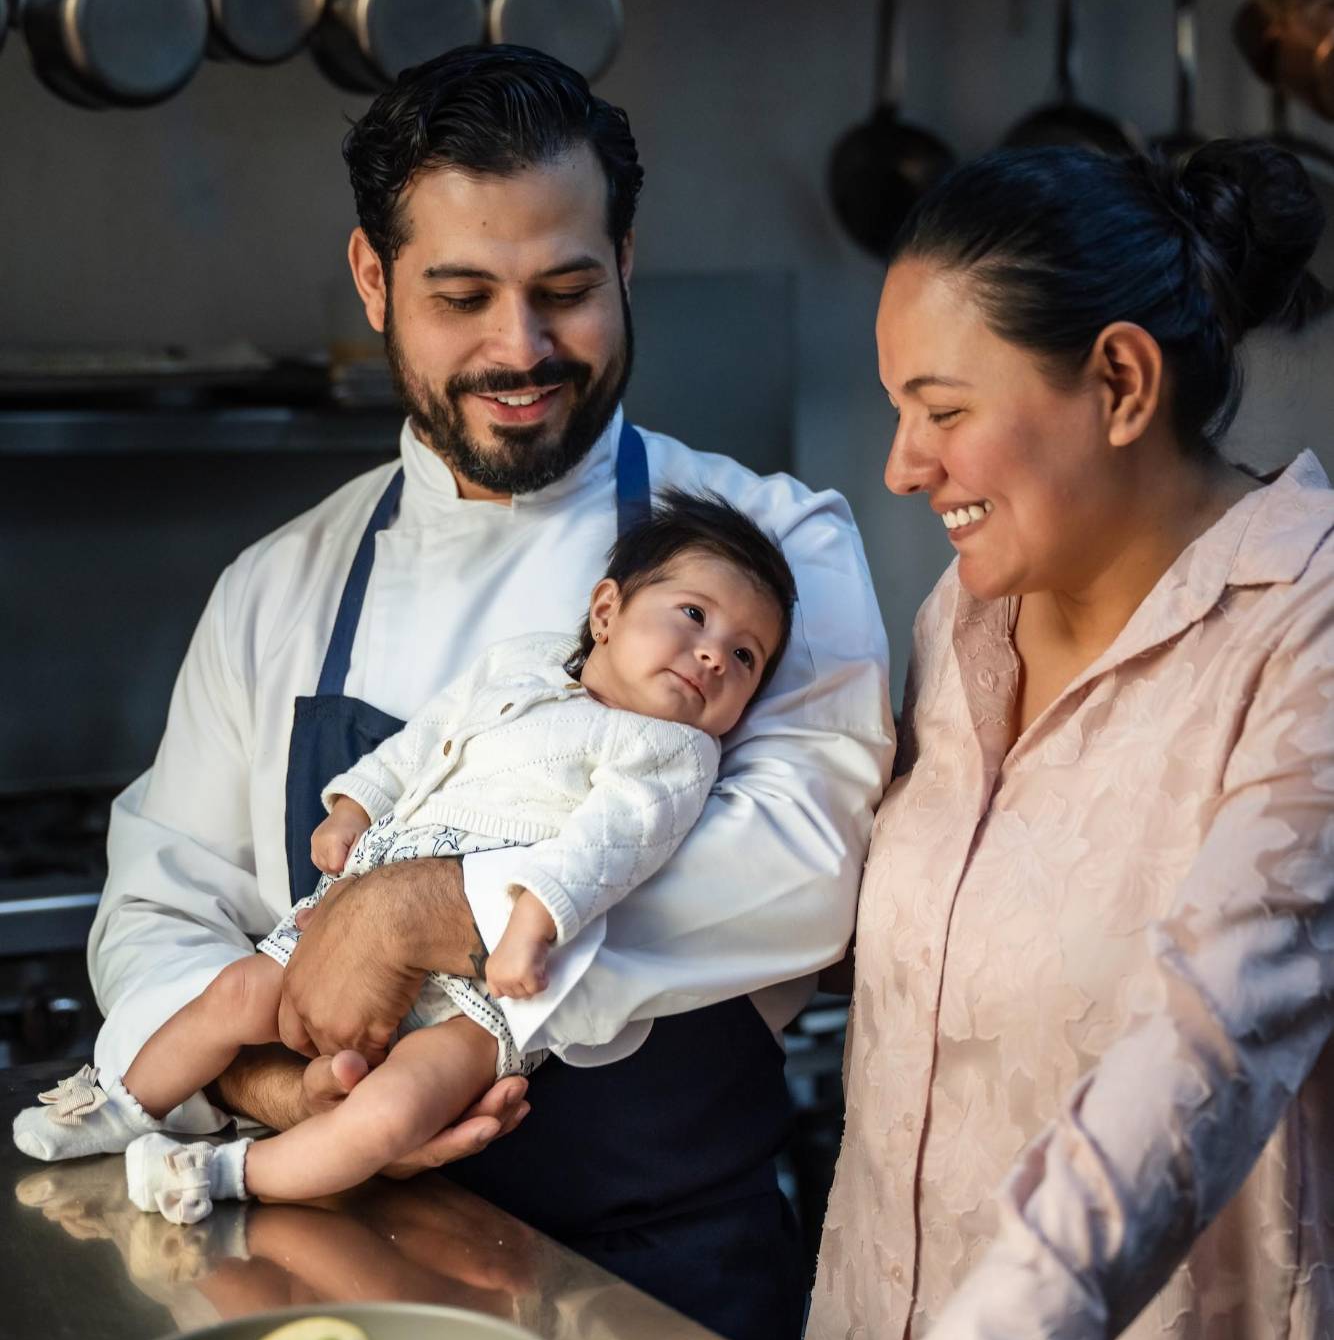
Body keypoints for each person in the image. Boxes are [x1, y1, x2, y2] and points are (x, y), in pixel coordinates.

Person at [81, 43, 892, 1340]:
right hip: (333, 1275)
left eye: (564, 290)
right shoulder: (277, 588)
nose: (519, 349)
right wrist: (262, 1072)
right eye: (461, 296)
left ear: (625, 262)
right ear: (371, 278)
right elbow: (162, 905)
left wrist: (410, 915)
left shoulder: (773, 550)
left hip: (673, 1300)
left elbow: (809, 873)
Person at [800, 139, 1334, 1340]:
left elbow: (1212, 1025)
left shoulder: (1304, 629)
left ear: (1115, 384)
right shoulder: (955, 623)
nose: (902, 462)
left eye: (941, 410)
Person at [17, 494, 796, 1224]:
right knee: (234, 992)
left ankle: (223, 1177)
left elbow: (610, 847)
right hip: (345, 912)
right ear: (604, 612)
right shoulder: (518, 663)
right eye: (692, 616)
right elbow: (422, 742)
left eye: (746, 657)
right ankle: (121, 1108)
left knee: (388, 1115)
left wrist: (530, 924)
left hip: (481, 999)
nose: (712, 655)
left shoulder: (674, 751)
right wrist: (355, 804)